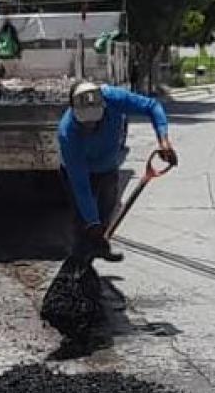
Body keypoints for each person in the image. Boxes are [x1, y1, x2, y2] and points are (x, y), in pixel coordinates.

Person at [59, 82, 178, 261]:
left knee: (107, 211)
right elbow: (81, 185)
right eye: (86, 123)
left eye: (95, 121)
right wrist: (92, 221)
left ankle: (100, 246)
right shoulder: (67, 134)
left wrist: (163, 139)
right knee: (84, 222)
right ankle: (79, 264)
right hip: (79, 172)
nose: (90, 127)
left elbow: (152, 107)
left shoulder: (114, 98)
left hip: (108, 167)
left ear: (104, 107)